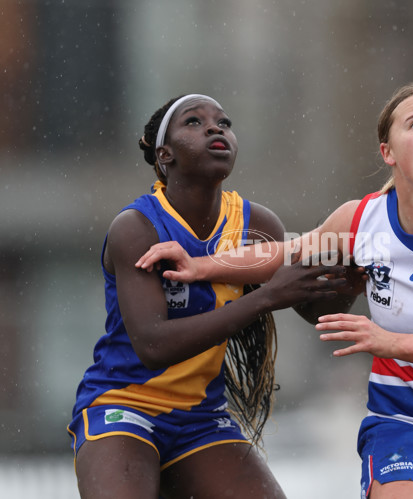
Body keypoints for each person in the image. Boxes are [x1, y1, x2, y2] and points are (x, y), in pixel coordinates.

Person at [136, 84, 413, 498]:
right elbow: (285, 253)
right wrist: (201, 264)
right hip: (409, 430)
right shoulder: (363, 222)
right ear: (387, 152)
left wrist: (389, 342)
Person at [67, 94, 348, 499]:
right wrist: (265, 298)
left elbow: (315, 310)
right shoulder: (137, 227)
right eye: (194, 122)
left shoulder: (258, 224)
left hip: (200, 418)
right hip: (124, 407)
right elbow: (153, 345)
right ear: (165, 155)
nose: (216, 128)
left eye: (224, 122)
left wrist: (347, 280)